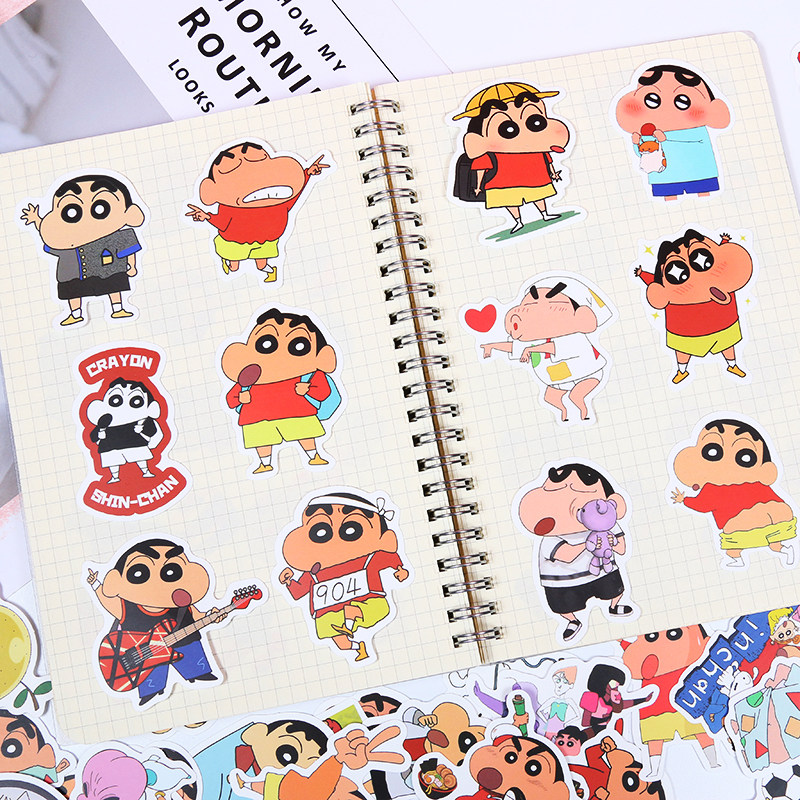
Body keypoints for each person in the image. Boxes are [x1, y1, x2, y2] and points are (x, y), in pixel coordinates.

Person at [88, 538, 223, 706]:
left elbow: (197, 616)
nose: (157, 583)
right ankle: (151, 691)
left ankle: (199, 673)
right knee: (152, 673)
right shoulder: (126, 607)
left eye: (172, 571)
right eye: (139, 573)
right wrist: (95, 584)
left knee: (192, 653)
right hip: (142, 654)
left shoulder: (182, 605)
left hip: (184, 642)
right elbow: (107, 599)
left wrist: (211, 616)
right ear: (116, 580)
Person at [279, 491, 409, 663]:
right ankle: (359, 648)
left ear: (383, 538)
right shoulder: (314, 573)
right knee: (341, 644)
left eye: (351, 530)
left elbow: (389, 557)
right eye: (320, 531)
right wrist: (288, 581)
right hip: (328, 614)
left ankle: (348, 624)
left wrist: (400, 570)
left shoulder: (366, 560)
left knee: (352, 610)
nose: (333, 542)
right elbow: (298, 592)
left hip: (369, 604)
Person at [516, 462, 635, 642]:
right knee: (563, 605)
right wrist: (588, 544)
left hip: (602, 571)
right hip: (563, 581)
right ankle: (572, 621)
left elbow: (622, 549)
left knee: (615, 588)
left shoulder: (605, 523)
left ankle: (615, 605)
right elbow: (566, 556)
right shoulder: (552, 537)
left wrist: (613, 542)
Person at [186, 141, 329, 282]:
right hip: (235, 242)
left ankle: (271, 272)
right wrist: (206, 216)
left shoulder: (278, 201)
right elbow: (222, 223)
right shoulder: (230, 209)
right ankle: (228, 262)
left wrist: (308, 173)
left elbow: (295, 194)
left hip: (265, 241)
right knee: (234, 268)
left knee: (261, 265)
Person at [221, 307, 340, 473]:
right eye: (266, 344)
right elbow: (230, 399)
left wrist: (308, 389)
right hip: (256, 417)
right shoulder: (250, 377)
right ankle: (265, 463)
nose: (279, 356)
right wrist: (240, 398)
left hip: (298, 412)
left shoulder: (309, 375)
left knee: (305, 434)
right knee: (261, 440)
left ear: (320, 356)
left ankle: (314, 456)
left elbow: (323, 392)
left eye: (299, 346)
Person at [481, 277, 613, 422]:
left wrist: (529, 350)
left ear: (581, 315)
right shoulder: (536, 340)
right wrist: (492, 346)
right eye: (529, 304)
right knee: (550, 398)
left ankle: (583, 411)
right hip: (558, 380)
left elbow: (553, 348)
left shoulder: (574, 336)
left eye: (549, 304)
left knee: (576, 396)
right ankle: (564, 412)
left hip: (587, 374)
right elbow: (514, 347)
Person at [21, 173, 145, 325]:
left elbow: (129, 250)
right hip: (74, 274)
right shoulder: (68, 242)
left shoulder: (116, 236)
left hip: (108, 270)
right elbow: (52, 237)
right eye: (71, 211)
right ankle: (75, 314)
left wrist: (132, 266)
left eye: (101, 208)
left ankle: (118, 308)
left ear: (130, 213)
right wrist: (37, 221)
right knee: (73, 290)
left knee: (113, 285)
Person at [672, 418, 796, 567]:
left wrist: (684, 500)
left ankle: (738, 558)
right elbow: (702, 504)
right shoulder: (749, 482)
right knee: (767, 534)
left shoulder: (717, 489)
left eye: (745, 457)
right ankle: (781, 550)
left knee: (737, 534)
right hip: (764, 523)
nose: (726, 463)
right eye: (712, 452)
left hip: (745, 528)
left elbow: (701, 505)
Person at [635, 229, 753, 384]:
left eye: (703, 260)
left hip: (723, 324)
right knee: (683, 350)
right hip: (686, 330)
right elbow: (655, 282)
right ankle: (682, 370)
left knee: (727, 344)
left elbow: (720, 256)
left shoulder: (721, 276)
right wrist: (643, 274)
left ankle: (732, 365)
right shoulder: (667, 291)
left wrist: (724, 242)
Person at [453, 82, 571, 233]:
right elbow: (481, 168)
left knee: (538, 195)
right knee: (510, 201)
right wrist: (478, 186)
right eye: (507, 129)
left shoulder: (537, 150)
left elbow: (548, 161)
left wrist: (553, 174)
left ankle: (545, 214)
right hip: (503, 184)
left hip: (536, 179)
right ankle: (518, 222)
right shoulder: (489, 154)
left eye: (536, 122)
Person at [615, 63, 731, 201]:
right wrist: (636, 144)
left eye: (682, 101)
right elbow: (644, 154)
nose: (665, 111)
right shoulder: (649, 133)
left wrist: (665, 139)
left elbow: (695, 141)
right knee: (669, 199)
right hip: (664, 177)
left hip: (699, 173)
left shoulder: (697, 130)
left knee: (705, 197)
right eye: (652, 99)